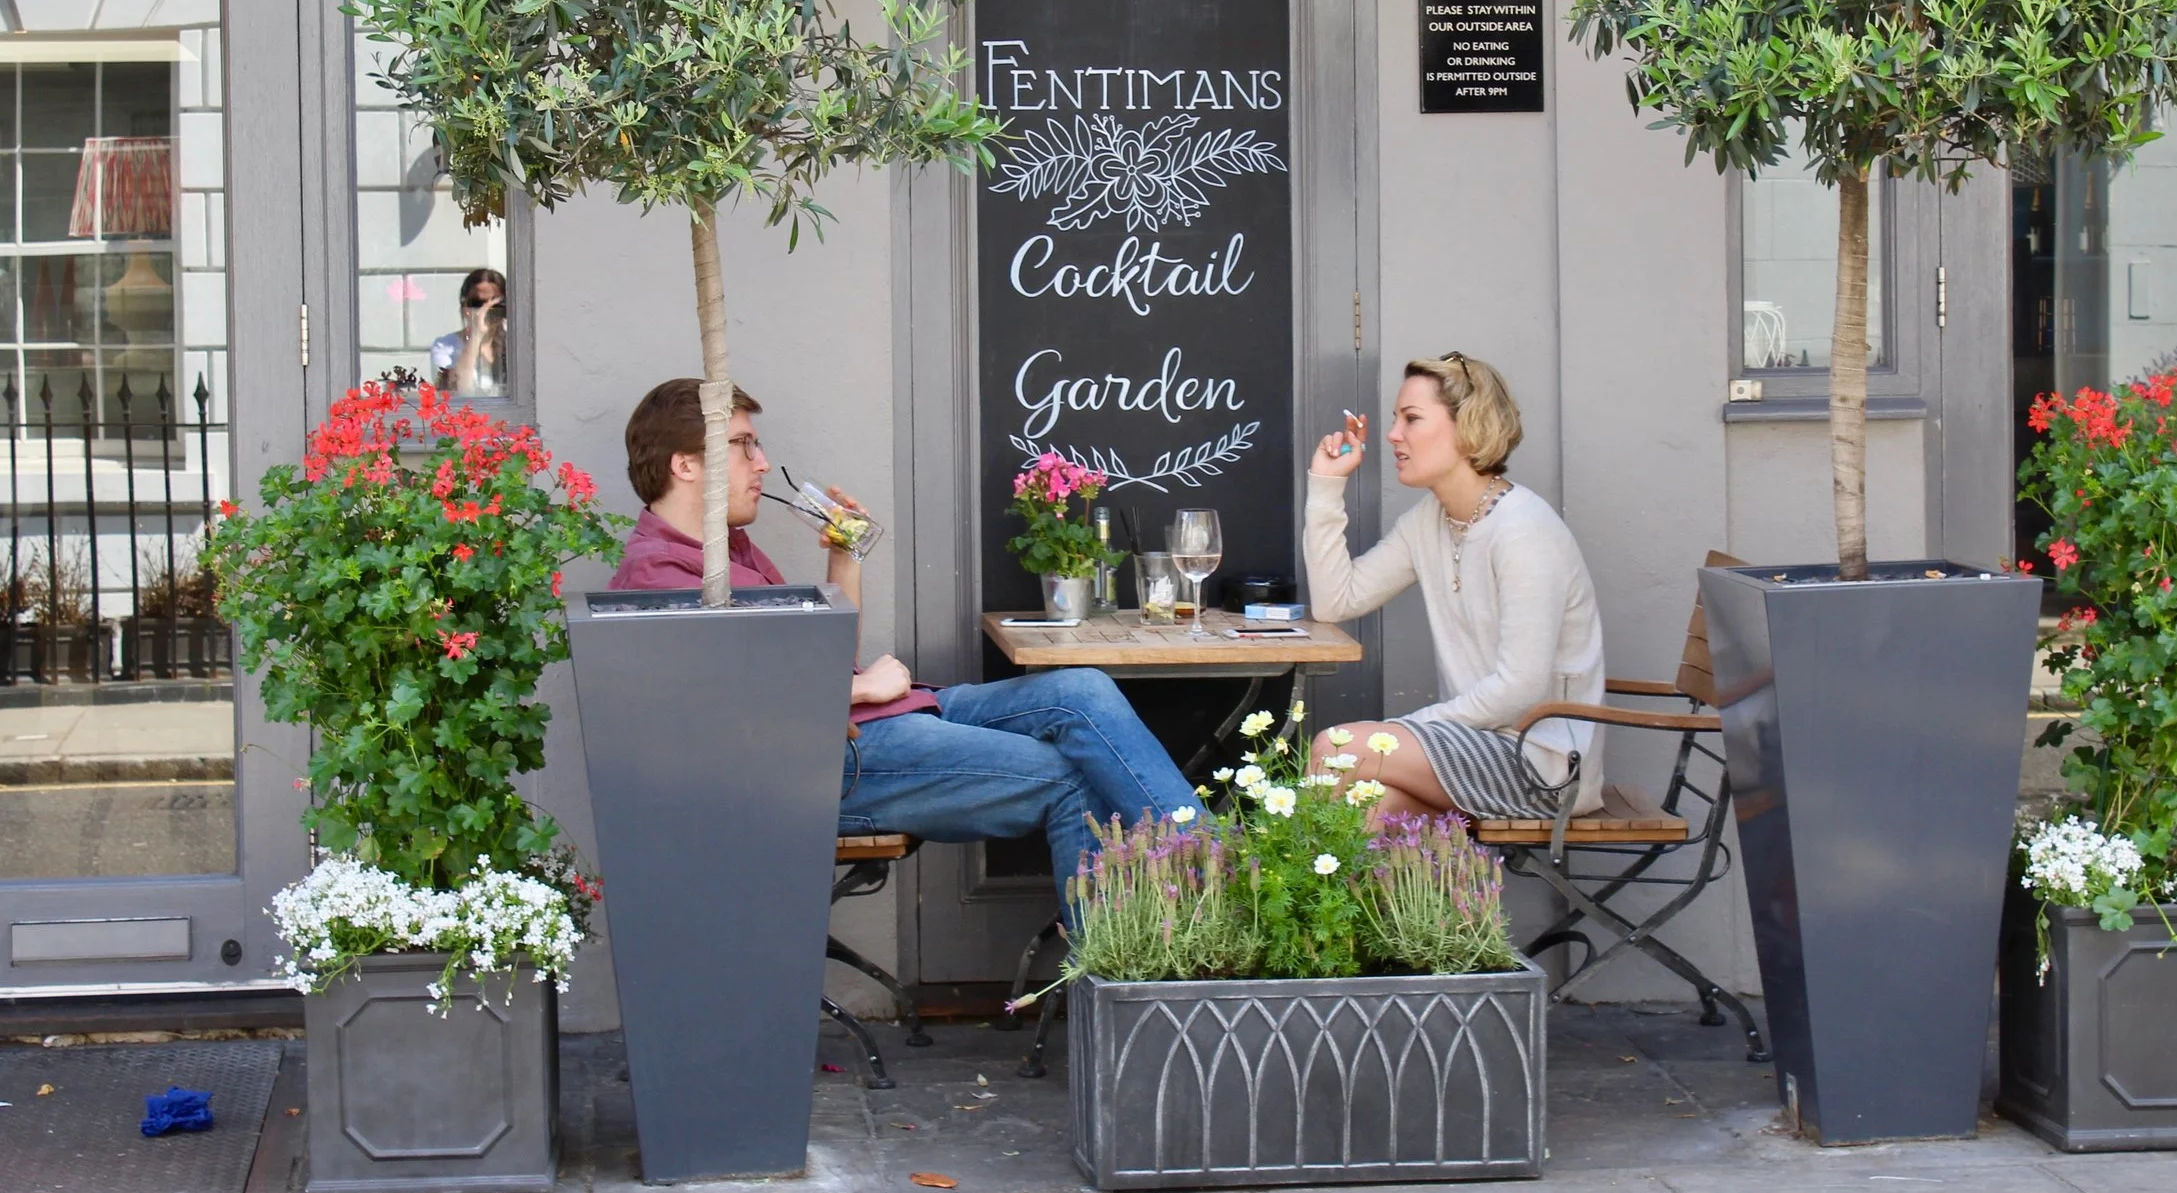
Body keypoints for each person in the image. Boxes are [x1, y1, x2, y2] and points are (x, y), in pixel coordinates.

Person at [609, 378, 1195, 909]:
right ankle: (1151, 952)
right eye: (744, 445)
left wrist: (847, 555)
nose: (762, 463)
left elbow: (821, 657)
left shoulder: (728, 549)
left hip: (878, 720)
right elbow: (727, 719)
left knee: (1081, 690)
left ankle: (1216, 868)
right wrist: (860, 688)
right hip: (819, 769)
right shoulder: (660, 576)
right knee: (1070, 776)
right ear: (686, 464)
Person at [1301, 352, 1606, 821]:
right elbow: (1336, 601)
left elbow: (1520, 689)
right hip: (1476, 749)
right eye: (1396, 419)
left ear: (1469, 427)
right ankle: (1365, 897)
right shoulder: (1430, 520)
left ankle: (1284, 883)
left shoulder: (1524, 530)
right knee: (1370, 810)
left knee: (1338, 747)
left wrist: (1397, 733)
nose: (1393, 434)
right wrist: (1326, 484)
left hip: (1543, 765)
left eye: (1412, 419)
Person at [430, 267, 506, 397]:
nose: (486, 310)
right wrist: (476, 335)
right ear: (465, 307)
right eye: (477, 303)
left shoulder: (516, 344)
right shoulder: (445, 346)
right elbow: (458, 390)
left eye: (495, 305)